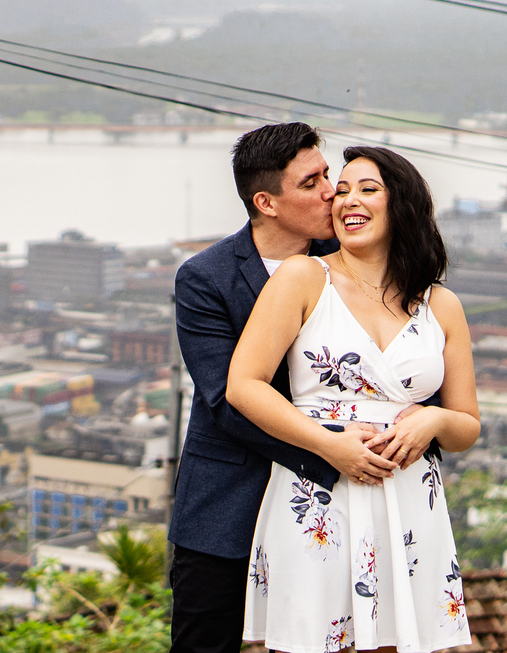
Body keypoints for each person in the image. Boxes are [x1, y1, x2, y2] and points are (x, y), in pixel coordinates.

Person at [169, 123, 418, 653]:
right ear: (267, 202)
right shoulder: (205, 278)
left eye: (328, 173)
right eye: (312, 183)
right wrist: (332, 448)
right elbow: (225, 401)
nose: (333, 190)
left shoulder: (353, 253)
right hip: (229, 501)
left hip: (340, 503)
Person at [227, 146, 479, 653]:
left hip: (408, 499)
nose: (347, 200)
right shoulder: (304, 277)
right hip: (318, 490)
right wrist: (329, 444)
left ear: (401, 205)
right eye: (341, 190)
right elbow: (243, 386)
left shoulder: (441, 305)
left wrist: (431, 421)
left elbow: (467, 425)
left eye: (367, 189)